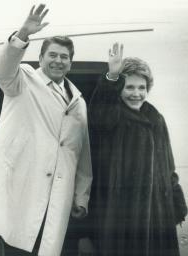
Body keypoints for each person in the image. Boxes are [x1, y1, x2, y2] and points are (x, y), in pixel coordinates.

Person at [0, 4, 92, 256]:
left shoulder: (78, 101)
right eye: (53, 55)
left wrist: (81, 196)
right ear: (41, 58)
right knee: (12, 246)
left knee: (43, 248)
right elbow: (3, 69)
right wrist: (23, 35)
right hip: (20, 189)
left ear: (71, 62)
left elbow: (81, 153)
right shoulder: (23, 80)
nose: (58, 61)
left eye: (64, 57)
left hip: (57, 195)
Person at [88, 42, 187, 256]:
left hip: (158, 216)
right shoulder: (112, 116)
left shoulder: (155, 118)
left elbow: (168, 167)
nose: (136, 94)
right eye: (129, 87)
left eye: (142, 87)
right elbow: (98, 115)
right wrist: (112, 77)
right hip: (123, 218)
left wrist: (176, 204)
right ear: (119, 90)